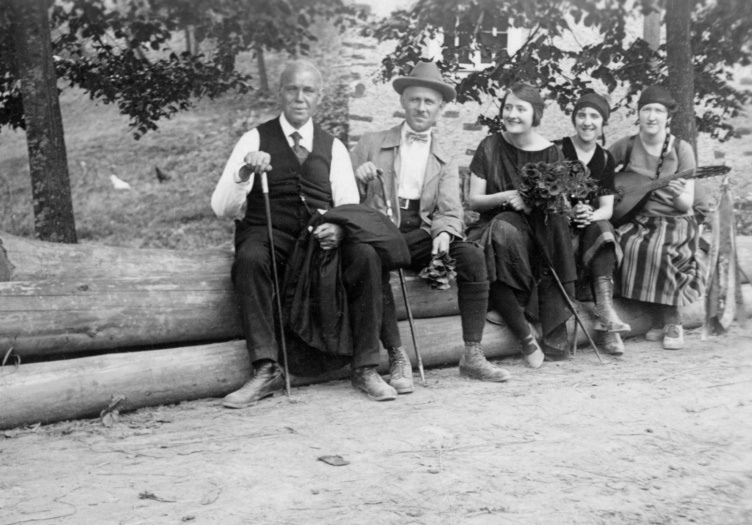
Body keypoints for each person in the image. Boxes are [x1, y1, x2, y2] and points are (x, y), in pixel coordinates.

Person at [211, 60, 398, 407]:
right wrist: (244, 170)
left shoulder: (334, 146)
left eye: (308, 90)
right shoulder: (254, 138)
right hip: (270, 234)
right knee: (250, 257)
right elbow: (222, 207)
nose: (300, 98)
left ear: (320, 97)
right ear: (280, 93)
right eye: (292, 89)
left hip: (318, 241)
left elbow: (348, 205)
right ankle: (266, 369)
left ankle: (366, 367)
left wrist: (340, 228)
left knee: (367, 257)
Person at [352, 61, 511, 387]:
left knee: (471, 256)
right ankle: (397, 356)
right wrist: (358, 178)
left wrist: (443, 232)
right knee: (372, 258)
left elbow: (451, 209)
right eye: (415, 100)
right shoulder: (370, 143)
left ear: (440, 107)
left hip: (420, 232)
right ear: (403, 101)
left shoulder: (445, 155)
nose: (421, 107)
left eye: (429, 102)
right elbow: (342, 197)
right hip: (379, 231)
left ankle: (472, 353)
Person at [467, 82, 575, 367]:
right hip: (493, 227)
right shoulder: (489, 146)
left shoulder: (552, 153)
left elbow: (562, 206)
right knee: (502, 230)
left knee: (541, 233)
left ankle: (545, 325)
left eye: (521, 109)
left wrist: (530, 203)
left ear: (535, 115)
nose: (512, 114)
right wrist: (505, 196)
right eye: (508, 107)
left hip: (538, 231)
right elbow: (474, 201)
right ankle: (524, 334)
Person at [608, 85, 704, 350]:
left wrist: (676, 195)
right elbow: (599, 170)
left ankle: (673, 322)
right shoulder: (626, 146)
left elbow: (686, 204)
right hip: (638, 218)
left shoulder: (681, 149)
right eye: (646, 109)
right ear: (639, 114)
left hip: (676, 220)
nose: (652, 116)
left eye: (658, 110)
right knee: (624, 244)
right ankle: (655, 319)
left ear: (667, 116)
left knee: (658, 250)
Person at [554, 92, 628, 356]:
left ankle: (606, 313)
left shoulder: (605, 159)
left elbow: (606, 208)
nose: (587, 122)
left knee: (604, 229)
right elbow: (544, 197)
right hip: (557, 226)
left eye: (594, 116)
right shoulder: (557, 150)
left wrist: (588, 215)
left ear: (603, 122)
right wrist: (570, 213)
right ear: (574, 119)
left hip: (588, 227)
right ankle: (606, 322)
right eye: (582, 115)